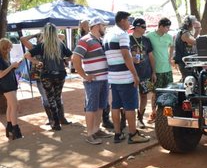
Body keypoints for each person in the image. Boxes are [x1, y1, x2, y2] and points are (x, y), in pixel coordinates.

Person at [103, 11, 150, 144]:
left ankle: (118, 134)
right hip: (125, 77)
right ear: (122, 20)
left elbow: (117, 55)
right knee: (130, 107)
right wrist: (135, 75)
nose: (129, 23)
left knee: (116, 106)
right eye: (128, 20)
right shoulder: (122, 34)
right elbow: (124, 55)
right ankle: (133, 134)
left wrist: (131, 59)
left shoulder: (108, 35)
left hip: (113, 77)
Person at [24, 23, 72, 131]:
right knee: (57, 97)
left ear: (45, 33)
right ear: (55, 33)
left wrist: (37, 62)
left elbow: (27, 55)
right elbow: (71, 55)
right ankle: (60, 119)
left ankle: (56, 123)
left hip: (46, 75)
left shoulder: (42, 45)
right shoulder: (60, 44)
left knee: (50, 98)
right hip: (60, 74)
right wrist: (64, 60)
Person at [72, 17, 112, 145]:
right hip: (93, 81)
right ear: (96, 26)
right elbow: (75, 58)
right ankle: (90, 134)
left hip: (104, 79)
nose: (104, 28)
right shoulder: (85, 40)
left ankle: (96, 129)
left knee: (101, 106)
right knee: (91, 107)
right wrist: (84, 75)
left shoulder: (100, 40)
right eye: (103, 26)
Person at [129, 18, 156, 128]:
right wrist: (132, 59)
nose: (145, 29)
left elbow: (151, 56)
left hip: (146, 73)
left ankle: (140, 119)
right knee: (130, 96)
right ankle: (126, 120)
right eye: (144, 27)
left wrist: (153, 72)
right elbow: (122, 56)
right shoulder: (127, 39)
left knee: (144, 96)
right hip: (131, 74)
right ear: (137, 27)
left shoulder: (146, 40)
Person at [146, 17, 174, 123]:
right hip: (155, 70)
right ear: (161, 26)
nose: (168, 29)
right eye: (167, 27)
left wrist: (170, 57)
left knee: (169, 92)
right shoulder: (149, 36)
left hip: (167, 69)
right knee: (154, 93)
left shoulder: (169, 37)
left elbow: (172, 46)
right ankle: (153, 113)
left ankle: (166, 114)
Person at [0, 38, 23, 140]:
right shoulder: (0, 58)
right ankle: (15, 130)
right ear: (4, 47)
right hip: (6, 85)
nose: (10, 49)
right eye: (9, 47)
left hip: (11, 84)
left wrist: (14, 66)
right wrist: (12, 66)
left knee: (10, 106)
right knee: (15, 106)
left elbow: (6, 71)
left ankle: (10, 127)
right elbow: (1, 74)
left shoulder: (4, 57)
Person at [174, 15, 200, 80]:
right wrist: (205, 41)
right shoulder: (185, 33)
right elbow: (193, 42)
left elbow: (192, 41)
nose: (194, 24)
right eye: (193, 23)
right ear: (189, 24)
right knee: (189, 80)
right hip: (184, 62)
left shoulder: (185, 32)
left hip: (186, 62)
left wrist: (197, 31)